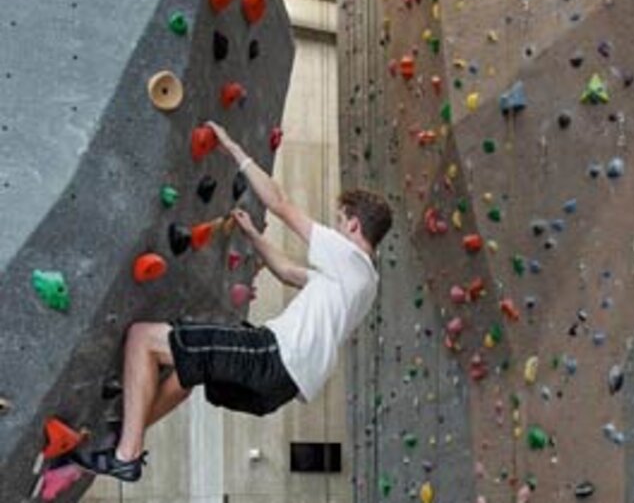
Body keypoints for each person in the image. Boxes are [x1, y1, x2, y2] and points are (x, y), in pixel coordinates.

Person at [72, 121, 393, 482]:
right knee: (188, 370)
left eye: (339, 222)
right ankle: (122, 436)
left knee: (142, 338)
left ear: (353, 227)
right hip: (280, 385)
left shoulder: (349, 257)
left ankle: (125, 454)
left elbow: (281, 204)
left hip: (273, 356)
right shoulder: (360, 283)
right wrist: (254, 236)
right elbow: (288, 271)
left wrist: (234, 150)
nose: (334, 229)